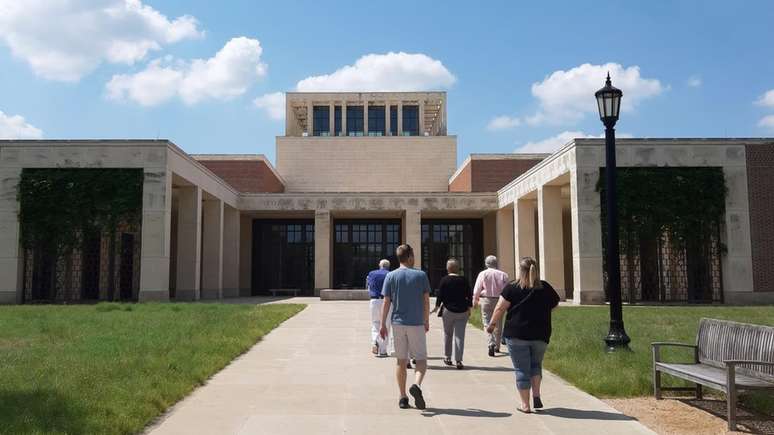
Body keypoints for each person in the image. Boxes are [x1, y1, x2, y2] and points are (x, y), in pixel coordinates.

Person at [486, 257, 560, 413]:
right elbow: (555, 304)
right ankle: (537, 395)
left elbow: (500, 308)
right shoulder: (545, 287)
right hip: (541, 334)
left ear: (521, 270)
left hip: (517, 334)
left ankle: (525, 405)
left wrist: (492, 324)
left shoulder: (512, 287)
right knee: (535, 365)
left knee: (521, 369)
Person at [379, 244, 431, 410]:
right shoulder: (421, 275)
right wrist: (426, 320)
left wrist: (382, 324)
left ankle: (402, 397)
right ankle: (416, 384)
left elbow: (386, 302)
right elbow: (426, 300)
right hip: (416, 323)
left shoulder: (391, 276)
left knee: (401, 361)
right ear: (409, 257)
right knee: (421, 360)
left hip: (398, 323)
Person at [431, 258, 472, 370]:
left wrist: (437, 306)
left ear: (448, 268)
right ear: (458, 268)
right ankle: (459, 360)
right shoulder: (464, 280)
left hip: (448, 310)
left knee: (448, 334)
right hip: (462, 310)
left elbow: (440, 295)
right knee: (460, 336)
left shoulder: (444, 280)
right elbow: (469, 294)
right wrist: (469, 307)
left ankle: (447, 357)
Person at [473, 255, 510, 356]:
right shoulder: (503, 275)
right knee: (498, 323)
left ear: (486, 264)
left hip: (486, 299)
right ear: (496, 263)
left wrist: (475, 300)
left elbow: (477, 288)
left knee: (487, 322)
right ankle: (497, 346)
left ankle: (491, 343)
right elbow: (508, 290)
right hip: (500, 300)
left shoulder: (483, 274)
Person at [367, 259, 391, 357]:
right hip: (387, 301)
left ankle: (375, 341)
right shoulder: (390, 274)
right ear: (388, 266)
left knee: (375, 323)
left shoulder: (371, 273)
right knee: (385, 324)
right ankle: (383, 350)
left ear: (379, 265)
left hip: (374, 300)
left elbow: (368, 286)